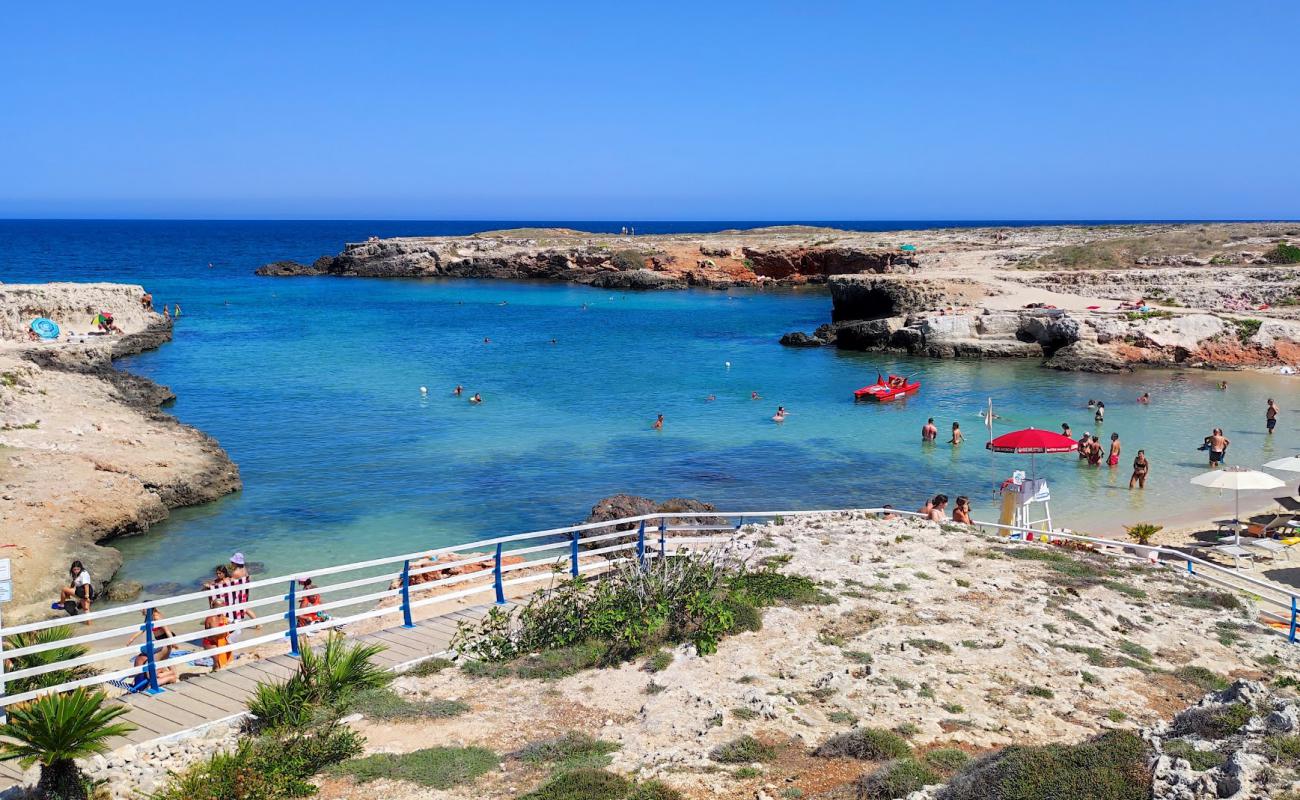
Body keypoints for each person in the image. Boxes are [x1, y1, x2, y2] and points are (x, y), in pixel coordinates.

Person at [202, 595, 233, 670]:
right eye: (221, 606)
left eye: (223, 606)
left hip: (221, 640)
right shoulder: (213, 617)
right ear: (214, 607)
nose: (223, 608)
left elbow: (224, 623)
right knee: (217, 664)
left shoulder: (221, 615)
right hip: (211, 642)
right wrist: (228, 629)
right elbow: (215, 634)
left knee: (224, 662)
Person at [226, 552, 256, 626]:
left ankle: (231, 626)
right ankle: (258, 624)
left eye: (232, 562)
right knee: (245, 609)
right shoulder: (244, 569)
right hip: (244, 592)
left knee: (243, 609)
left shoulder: (236, 572)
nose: (231, 562)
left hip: (238, 593)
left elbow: (230, 583)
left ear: (236, 563)